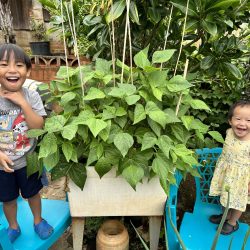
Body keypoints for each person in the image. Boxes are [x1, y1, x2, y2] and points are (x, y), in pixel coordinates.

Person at [0, 43, 53, 243]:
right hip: (3, 165)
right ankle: (13, 226)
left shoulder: (31, 95)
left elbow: (37, 125)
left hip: (28, 159)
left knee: (33, 194)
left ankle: (38, 221)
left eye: (19, 65)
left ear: (28, 71)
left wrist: (23, 103)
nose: (12, 69)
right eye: (4, 64)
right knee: (8, 199)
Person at [209, 99, 250, 235]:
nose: (242, 123)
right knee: (224, 196)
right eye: (238, 118)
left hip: (242, 179)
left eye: (248, 120)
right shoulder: (228, 133)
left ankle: (233, 223)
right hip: (226, 174)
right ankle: (225, 216)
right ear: (230, 121)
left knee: (238, 200)